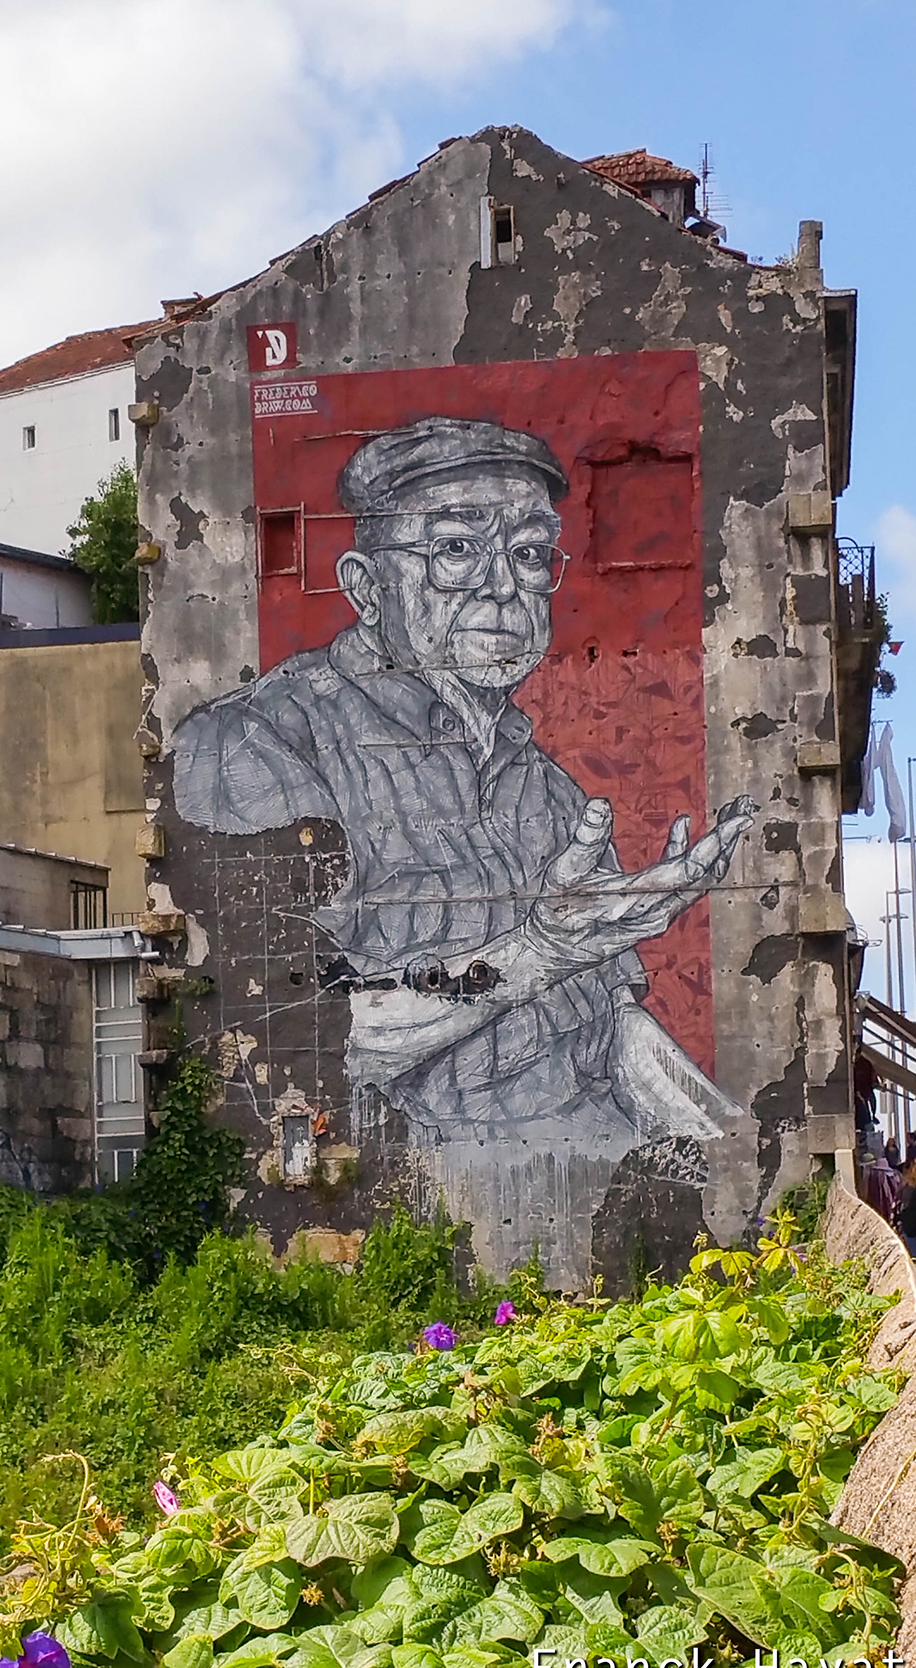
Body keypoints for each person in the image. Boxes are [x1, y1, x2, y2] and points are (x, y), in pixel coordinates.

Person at [172, 417, 756, 1280]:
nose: (503, 589)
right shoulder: (255, 743)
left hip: (593, 1227)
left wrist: (739, 1174)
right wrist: (544, 949)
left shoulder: (550, 790)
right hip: (399, 1240)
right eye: (454, 550)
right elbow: (305, 1035)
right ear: (366, 586)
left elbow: (618, 1040)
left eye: (529, 556)